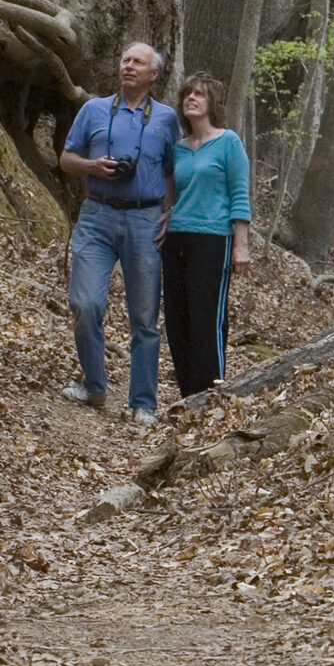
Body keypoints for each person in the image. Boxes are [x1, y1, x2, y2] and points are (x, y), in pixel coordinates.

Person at [58, 42, 179, 425]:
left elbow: (174, 171)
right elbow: (66, 158)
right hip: (96, 215)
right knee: (85, 303)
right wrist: (93, 166)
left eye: (137, 62)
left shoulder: (166, 119)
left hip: (145, 221)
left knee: (144, 316)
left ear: (153, 74)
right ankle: (94, 385)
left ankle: (143, 403)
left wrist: (170, 212)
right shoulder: (93, 109)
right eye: (124, 59)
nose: (128, 66)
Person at [161, 72, 251, 399]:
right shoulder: (179, 149)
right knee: (176, 319)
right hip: (175, 239)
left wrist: (241, 245)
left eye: (199, 94)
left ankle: (211, 395)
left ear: (212, 102)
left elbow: (240, 194)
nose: (192, 99)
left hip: (213, 239)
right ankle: (188, 396)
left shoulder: (228, 142)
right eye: (187, 94)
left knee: (206, 318)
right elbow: (170, 195)